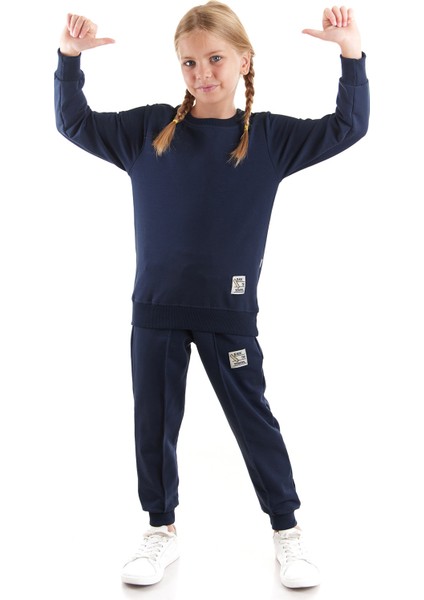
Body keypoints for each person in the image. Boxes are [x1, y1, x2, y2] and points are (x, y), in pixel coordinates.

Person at [54, 1, 369, 590]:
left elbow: (347, 127)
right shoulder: (147, 130)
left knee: (254, 421)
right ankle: (160, 529)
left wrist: (351, 55)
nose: (203, 73)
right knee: (153, 425)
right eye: (190, 62)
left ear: (244, 61)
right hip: (156, 310)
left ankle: (287, 531)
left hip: (228, 312)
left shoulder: (270, 138)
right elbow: (74, 123)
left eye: (216, 59)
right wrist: (69, 60)